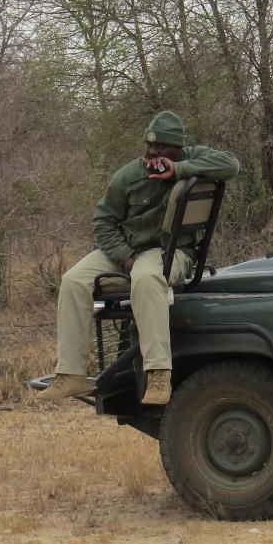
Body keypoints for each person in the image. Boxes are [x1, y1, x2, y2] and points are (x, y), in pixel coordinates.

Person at [36, 111, 240, 406]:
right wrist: (124, 257)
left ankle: (158, 373)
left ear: (178, 148)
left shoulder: (193, 158)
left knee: (146, 278)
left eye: (163, 148)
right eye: (150, 146)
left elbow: (230, 165)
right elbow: (103, 222)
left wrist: (179, 169)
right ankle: (71, 374)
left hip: (172, 252)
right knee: (73, 281)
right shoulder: (128, 176)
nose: (154, 153)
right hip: (126, 250)